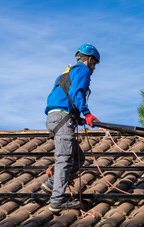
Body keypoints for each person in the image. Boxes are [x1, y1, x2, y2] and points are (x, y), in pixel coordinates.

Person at [42, 43, 100, 212]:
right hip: (62, 119)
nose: (94, 68)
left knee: (78, 159)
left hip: (57, 118)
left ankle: (52, 184)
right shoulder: (83, 70)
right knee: (65, 161)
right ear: (90, 60)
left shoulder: (66, 73)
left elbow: (63, 97)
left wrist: (77, 118)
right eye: (94, 64)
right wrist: (87, 114)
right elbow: (76, 92)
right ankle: (57, 201)